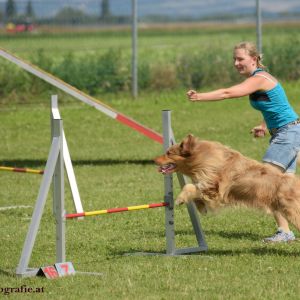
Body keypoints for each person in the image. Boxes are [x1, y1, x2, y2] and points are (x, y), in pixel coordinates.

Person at [186, 41, 300, 243]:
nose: (236, 63)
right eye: (234, 59)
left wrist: (200, 96)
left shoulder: (260, 79)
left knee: (268, 184)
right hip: (284, 132)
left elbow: (227, 93)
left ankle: (285, 232)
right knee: (281, 188)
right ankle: (285, 231)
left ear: (254, 59)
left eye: (240, 59)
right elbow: (276, 106)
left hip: (289, 134)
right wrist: (264, 125)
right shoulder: (258, 80)